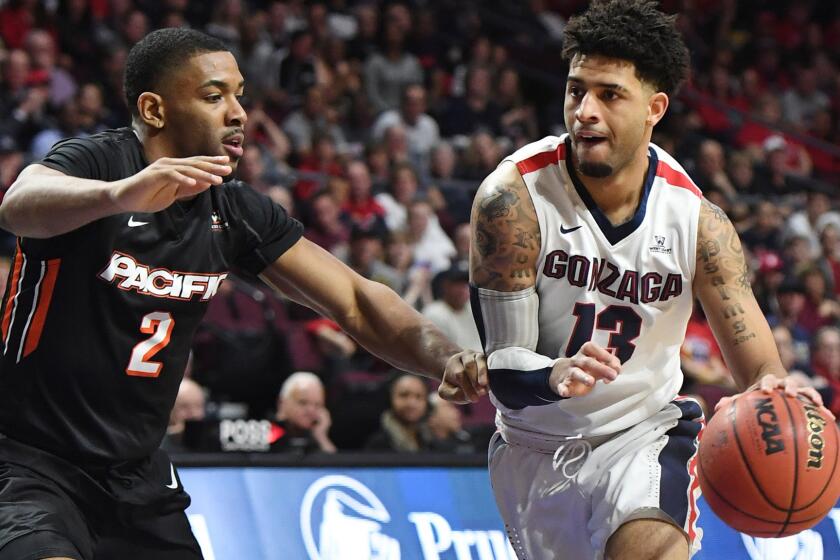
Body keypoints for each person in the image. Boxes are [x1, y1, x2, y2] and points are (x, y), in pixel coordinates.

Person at [0, 28, 486, 560]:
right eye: (214, 97)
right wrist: (118, 196)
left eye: (239, 95)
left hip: (134, 475)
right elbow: (20, 203)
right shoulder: (99, 163)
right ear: (154, 110)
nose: (237, 113)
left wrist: (446, 357)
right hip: (27, 460)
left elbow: (354, 299)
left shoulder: (231, 211)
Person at [464, 3, 831, 560]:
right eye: (575, 90)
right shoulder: (511, 199)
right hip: (532, 445)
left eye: (609, 94)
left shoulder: (698, 222)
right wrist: (554, 372)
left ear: (654, 108)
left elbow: (758, 365)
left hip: (645, 434)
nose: (584, 111)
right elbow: (504, 367)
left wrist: (772, 388)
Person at [270, 371, 335, 454]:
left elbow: (333, 465)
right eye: (303, 402)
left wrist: (321, 437)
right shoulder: (266, 434)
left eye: (317, 405)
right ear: (282, 403)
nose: (311, 411)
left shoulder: (316, 436)